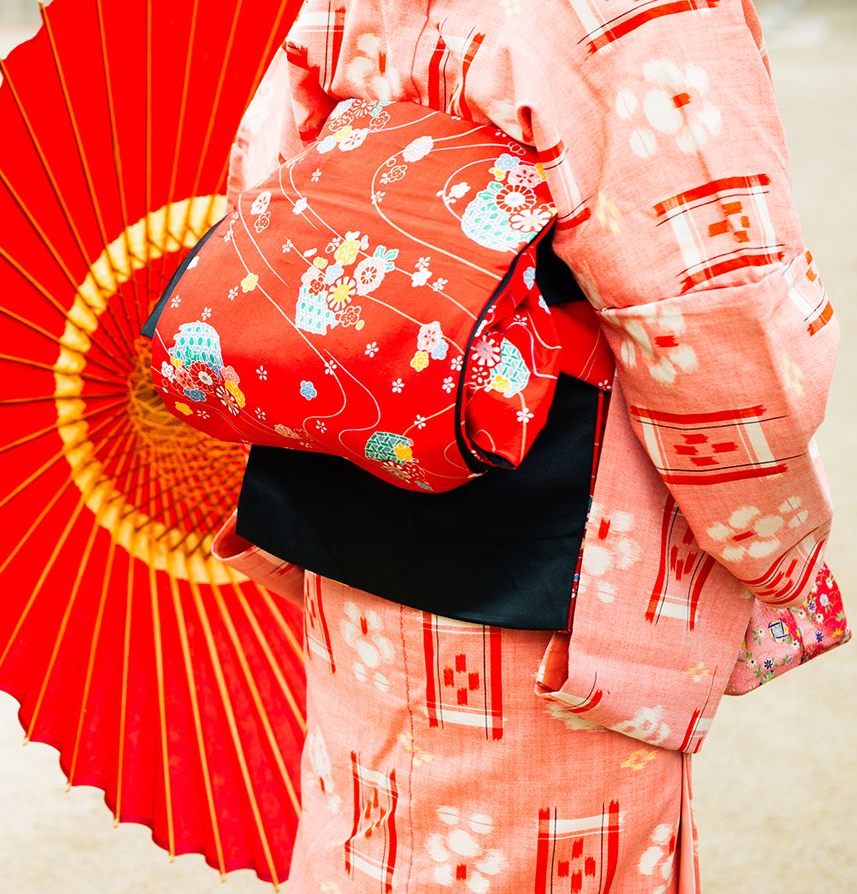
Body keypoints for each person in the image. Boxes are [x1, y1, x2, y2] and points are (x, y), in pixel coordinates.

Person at [209, 1, 843, 890]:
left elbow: (269, 179)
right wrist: (773, 549)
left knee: (366, 840)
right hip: (560, 563)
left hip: (363, 522)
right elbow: (713, 313)